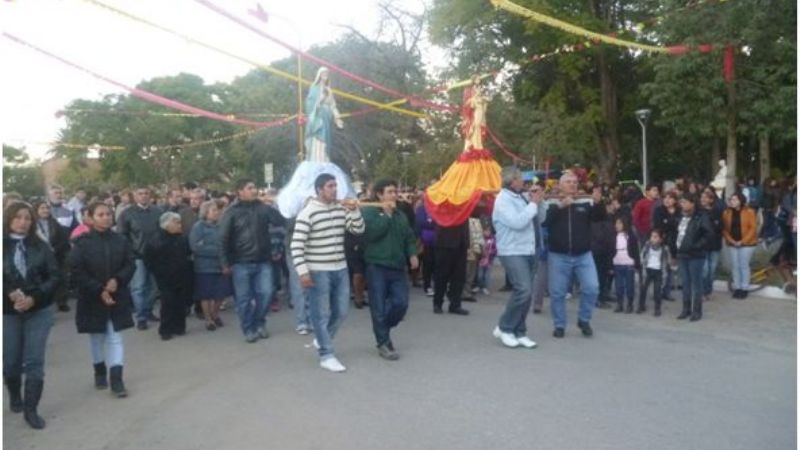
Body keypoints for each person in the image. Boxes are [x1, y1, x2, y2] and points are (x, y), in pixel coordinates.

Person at [291, 173, 364, 372]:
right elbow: (296, 245)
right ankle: (326, 354)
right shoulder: (308, 213)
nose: (335, 190)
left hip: (340, 267)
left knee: (341, 311)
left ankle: (323, 339)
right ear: (319, 190)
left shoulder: (341, 208)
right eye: (330, 186)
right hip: (317, 270)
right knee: (321, 314)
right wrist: (303, 272)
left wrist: (354, 210)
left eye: (335, 186)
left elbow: (357, 230)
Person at [4, 202, 62, 429]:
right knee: (11, 362)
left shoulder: (41, 246)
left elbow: (55, 277)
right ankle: (15, 395)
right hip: (8, 312)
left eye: (27, 218)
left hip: (39, 310)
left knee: (34, 361)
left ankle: (31, 409)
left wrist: (34, 297)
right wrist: (9, 293)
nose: (23, 222)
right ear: (9, 218)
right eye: (18, 217)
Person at [70, 202, 135, 398]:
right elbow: (77, 271)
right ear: (90, 218)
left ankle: (117, 379)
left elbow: (130, 264)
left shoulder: (120, 240)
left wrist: (117, 279)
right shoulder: (81, 243)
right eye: (100, 214)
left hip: (117, 294)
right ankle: (99, 371)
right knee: (97, 336)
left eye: (108, 214)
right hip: (92, 296)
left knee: (115, 337)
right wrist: (99, 289)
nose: (106, 217)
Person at [219, 179, 284, 343]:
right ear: (240, 191)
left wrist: (272, 204)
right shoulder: (231, 212)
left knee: (267, 293)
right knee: (243, 299)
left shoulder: (263, 208)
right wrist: (225, 262)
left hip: (263, 260)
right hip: (240, 262)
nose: (254, 190)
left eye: (255, 187)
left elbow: (280, 221)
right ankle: (248, 328)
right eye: (250, 188)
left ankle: (259, 322)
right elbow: (223, 239)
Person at [543, 172, 605, 338]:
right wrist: (561, 206)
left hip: (583, 254)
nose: (572, 185)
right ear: (560, 185)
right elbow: (545, 222)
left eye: (575, 182)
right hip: (558, 255)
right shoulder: (550, 202)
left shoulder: (585, 201)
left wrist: (598, 203)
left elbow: (600, 218)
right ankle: (559, 325)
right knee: (557, 293)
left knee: (592, 288)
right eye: (568, 182)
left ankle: (584, 319)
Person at [361, 179, 418, 360]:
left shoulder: (400, 215)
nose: (394, 195)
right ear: (379, 194)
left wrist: (412, 254)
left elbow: (408, 237)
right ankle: (383, 343)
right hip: (376, 266)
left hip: (397, 266)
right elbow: (371, 234)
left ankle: (382, 328)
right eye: (390, 192)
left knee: (401, 304)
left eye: (395, 191)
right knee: (378, 306)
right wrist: (385, 216)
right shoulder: (369, 212)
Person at [491, 168, 543, 348]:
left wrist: (536, 201)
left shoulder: (521, 196)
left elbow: (538, 217)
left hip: (528, 249)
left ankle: (519, 330)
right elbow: (517, 222)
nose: (524, 181)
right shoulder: (502, 200)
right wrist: (533, 204)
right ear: (512, 181)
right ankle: (505, 327)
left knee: (526, 294)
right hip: (512, 250)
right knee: (524, 289)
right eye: (521, 178)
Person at [117, 187, 162, 330]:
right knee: (139, 287)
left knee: (155, 287)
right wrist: (130, 252)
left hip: (156, 255)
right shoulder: (127, 214)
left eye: (146, 193)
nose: (143, 196)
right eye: (140, 194)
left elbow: (162, 231)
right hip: (137, 256)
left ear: (150, 195)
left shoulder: (157, 211)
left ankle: (148, 310)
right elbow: (122, 235)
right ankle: (141, 317)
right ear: (134, 196)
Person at [146, 212, 193, 340]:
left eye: (179, 222)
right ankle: (165, 330)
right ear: (167, 225)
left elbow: (187, 253)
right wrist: (159, 273)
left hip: (181, 275)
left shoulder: (181, 237)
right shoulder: (156, 240)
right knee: (168, 303)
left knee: (180, 302)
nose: (179, 225)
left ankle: (179, 327)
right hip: (165, 277)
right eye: (176, 222)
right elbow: (149, 259)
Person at [189, 200, 231, 331]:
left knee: (220, 293)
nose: (217, 212)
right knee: (206, 294)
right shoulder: (198, 227)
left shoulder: (222, 225)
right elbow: (196, 247)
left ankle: (215, 313)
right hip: (204, 266)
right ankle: (208, 319)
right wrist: (217, 251)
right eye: (213, 210)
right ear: (206, 213)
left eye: (217, 210)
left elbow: (227, 243)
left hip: (221, 265)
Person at [675, 194, 713, 321]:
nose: (683, 205)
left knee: (696, 284)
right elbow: (676, 233)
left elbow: (708, 235)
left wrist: (696, 246)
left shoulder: (701, 216)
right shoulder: (680, 216)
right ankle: (686, 309)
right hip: (682, 254)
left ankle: (697, 311)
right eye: (681, 202)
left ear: (692, 203)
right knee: (685, 283)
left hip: (695, 255)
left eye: (685, 202)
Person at [722, 193, 758, 299]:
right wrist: (731, 240)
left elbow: (753, 228)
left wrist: (742, 241)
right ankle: (737, 287)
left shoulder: (749, 212)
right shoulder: (726, 212)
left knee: (743, 265)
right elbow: (724, 228)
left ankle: (744, 288)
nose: (732, 201)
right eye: (731, 199)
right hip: (733, 243)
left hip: (747, 244)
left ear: (740, 201)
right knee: (735, 265)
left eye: (734, 199)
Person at [612, 217, 641, 313]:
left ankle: (629, 304)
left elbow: (636, 251)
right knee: (618, 286)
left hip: (629, 264)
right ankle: (620, 304)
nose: (617, 225)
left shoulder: (630, 236)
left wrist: (637, 264)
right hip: (617, 263)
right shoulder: (613, 236)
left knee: (629, 286)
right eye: (616, 223)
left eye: (619, 223)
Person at [639, 229, 670, 316]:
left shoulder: (664, 248)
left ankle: (657, 308)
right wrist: (642, 262)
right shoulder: (647, 245)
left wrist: (668, 267)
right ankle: (641, 306)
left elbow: (667, 260)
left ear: (660, 239)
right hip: (648, 270)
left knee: (657, 291)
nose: (652, 239)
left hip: (658, 271)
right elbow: (642, 254)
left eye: (655, 237)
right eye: (651, 236)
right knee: (643, 288)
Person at [700, 188, 723, 301]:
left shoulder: (717, 211)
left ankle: (708, 291)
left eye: (705, 198)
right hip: (703, 245)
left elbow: (720, 227)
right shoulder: (699, 212)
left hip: (715, 244)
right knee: (705, 270)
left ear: (711, 200)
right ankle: (703, 292)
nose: (702, 200)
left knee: (712, 270)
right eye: (702, 198)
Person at [415, 202, 436, 296]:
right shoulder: (422, 208)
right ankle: (427, 285)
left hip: (439, 240)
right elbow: (420, 222)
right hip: (426, 241)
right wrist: (432, 222)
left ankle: (437, 285)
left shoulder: (439, 207)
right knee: (428, 263)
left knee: (438, 264)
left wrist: (432, 221)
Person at [476, 223, 497, 295]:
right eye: (485, 231)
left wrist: (490, 252)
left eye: (488, 231)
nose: (486, 232)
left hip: (489, 260)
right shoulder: (481, 239)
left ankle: (485, 287)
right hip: (481, 259)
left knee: (487, 274)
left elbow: (495, 249)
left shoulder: (493, 240)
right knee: (480, 274)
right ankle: (479, 286)